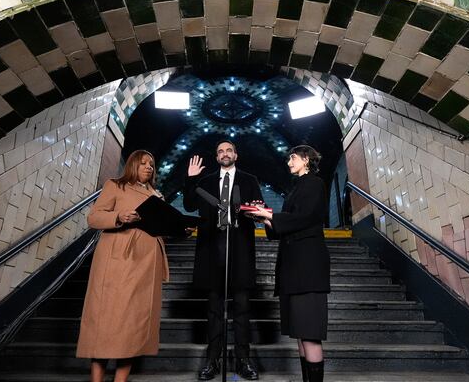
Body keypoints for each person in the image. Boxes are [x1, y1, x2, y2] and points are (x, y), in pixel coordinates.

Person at [76, 150, 169, 382]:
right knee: (107, 320)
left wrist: (178, 227)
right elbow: (94, 217)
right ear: (132, 165)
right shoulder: (116, 185)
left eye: (152, 164)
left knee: (133, 325)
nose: (149, 167)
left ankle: (120, 380)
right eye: (143, 163)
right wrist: (119, 216)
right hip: (119, 261)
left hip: (147, 264)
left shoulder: (157, 195)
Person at [247, 145, 330, 382]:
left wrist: (270, 215)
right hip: (293, 268)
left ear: (306, 159)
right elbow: (282, 229)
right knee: (300, 334)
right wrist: (264, 218)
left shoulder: (315, 184)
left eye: (292, 158)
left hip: (308, 269)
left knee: (310, 335)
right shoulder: (296, 188)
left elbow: (304, 218)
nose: (288, 162)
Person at [183, 140, 263, 381]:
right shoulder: (205, 181)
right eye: (220, 151)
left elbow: (259, 208)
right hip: (212, 250)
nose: (224, 154)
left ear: (236, 155)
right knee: (214, 309)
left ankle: (243, 361)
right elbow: (188, 205)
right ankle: (212, 361)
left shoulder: (249, 180)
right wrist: (190, 179)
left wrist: (255, 209)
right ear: (217, 157)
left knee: (242, 308)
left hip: (240, 249)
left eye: (229, 150)